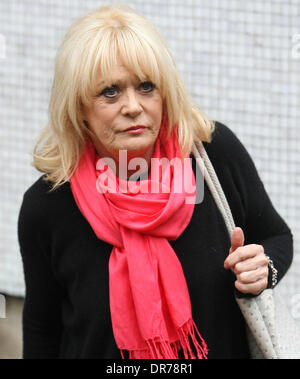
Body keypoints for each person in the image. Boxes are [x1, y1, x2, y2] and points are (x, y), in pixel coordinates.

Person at [17, 5, 293, 359]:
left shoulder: (212, 157)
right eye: (110, 92)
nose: (132, 106)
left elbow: (277, 236)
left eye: (147, 86)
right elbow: (42, 328)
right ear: (78, 107)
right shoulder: (48, 205)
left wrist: (262, 267)